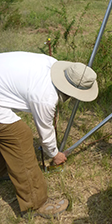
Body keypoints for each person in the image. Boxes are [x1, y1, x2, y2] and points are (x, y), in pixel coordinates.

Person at [0, 51, 98, 218]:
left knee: (7, 134)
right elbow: (45, 132)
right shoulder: (45, 96)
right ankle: (36, 203)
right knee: (19, 136)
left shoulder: (51, 63)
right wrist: (55, 154)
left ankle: (4, 170)